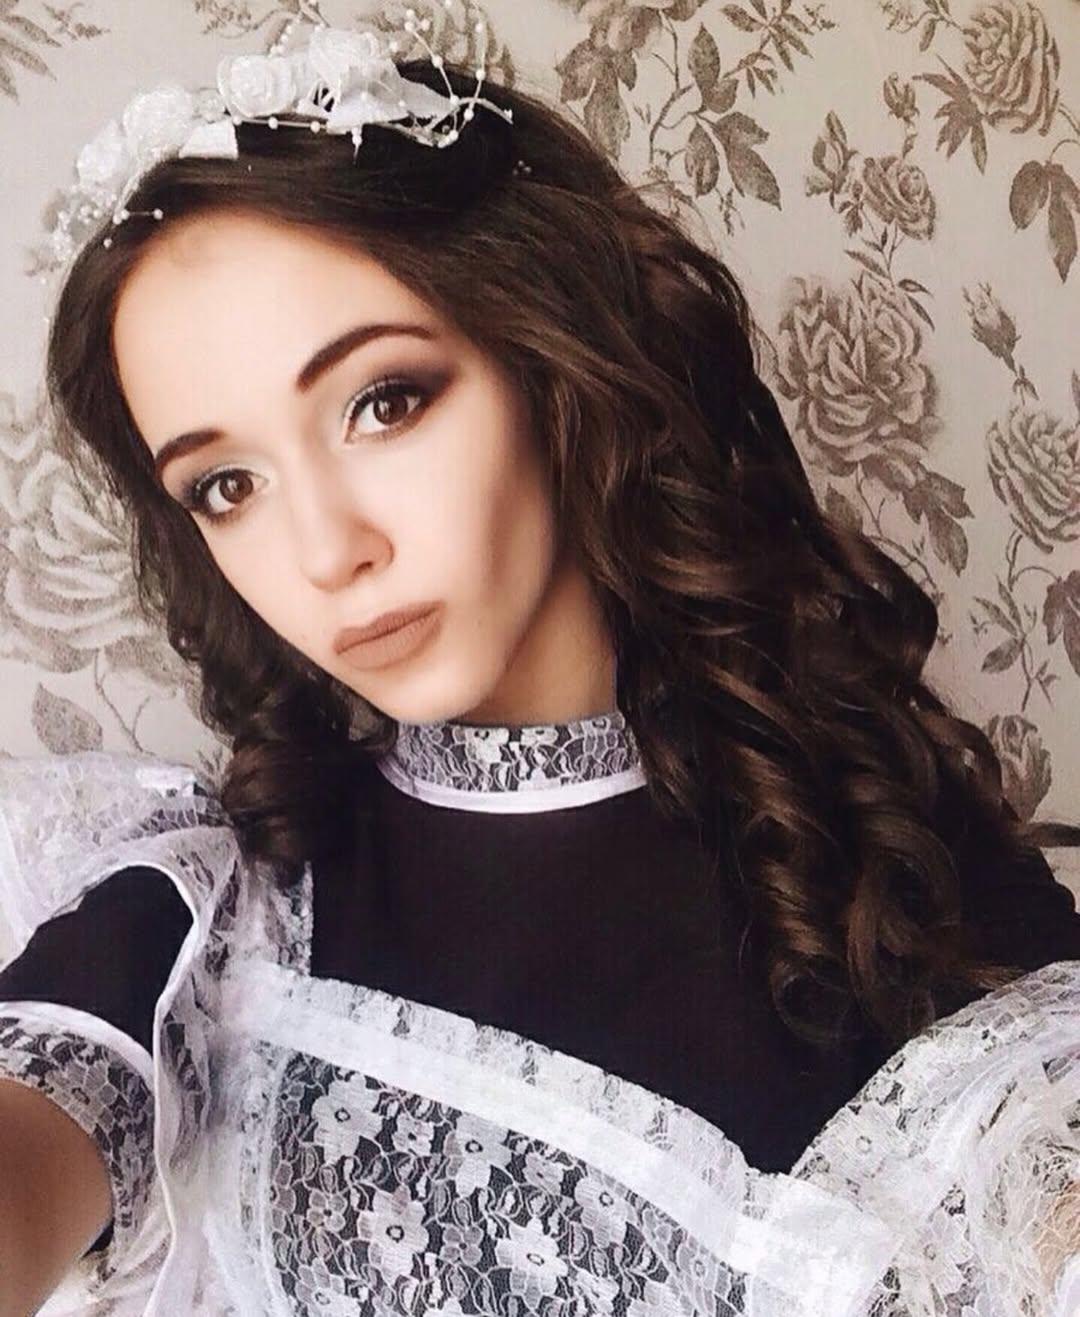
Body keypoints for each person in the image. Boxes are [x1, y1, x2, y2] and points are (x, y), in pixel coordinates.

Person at [0, 13, 1077, 1316]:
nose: (326, 550)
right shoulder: (216, 919)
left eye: (385, 401)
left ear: (551, 363)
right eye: (226, 484)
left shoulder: (895, 849)